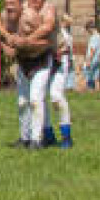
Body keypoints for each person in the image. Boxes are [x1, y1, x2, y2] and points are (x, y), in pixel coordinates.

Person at [0, 0, 57, 150]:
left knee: (35, 99)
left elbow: (46, 40)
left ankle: (37, 140)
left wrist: (26, 42)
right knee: (21, 102)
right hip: (23, 62)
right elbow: (1, 31)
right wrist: (8, 45)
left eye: (13, 4)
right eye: (7, 4)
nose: (9, 8)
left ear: (21, 4)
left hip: (41, 60)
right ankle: (24, 138)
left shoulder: (31, 17)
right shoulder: (5, 16)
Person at [44, 13, 74, 149]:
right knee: (38, 99)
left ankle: (66, 136)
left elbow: (64, 51)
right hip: (41, 65)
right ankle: (48, 135)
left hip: (59, 66)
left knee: (56, 97)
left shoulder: (64, 35)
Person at [81, 19, 100, 92]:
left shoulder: (94, 37)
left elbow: (92, 50)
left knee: (86, 76)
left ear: (91, 28)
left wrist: (88, 60)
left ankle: (83, 92)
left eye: (87, 30)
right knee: (96, 78)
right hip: (97, 60)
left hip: (92, 60)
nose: (88, 32)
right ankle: (97, 92)